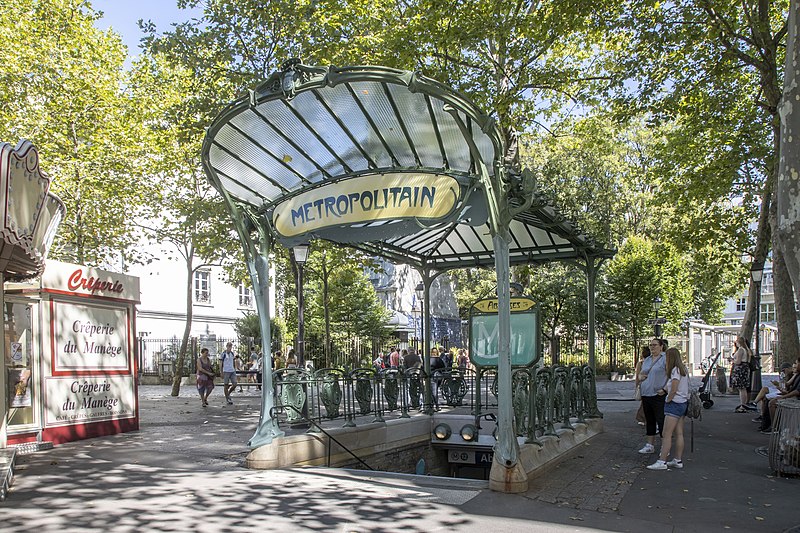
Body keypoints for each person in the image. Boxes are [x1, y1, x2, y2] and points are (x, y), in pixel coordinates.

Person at [647, 347, 689, 470]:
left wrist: (668, 399)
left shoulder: (675, 371)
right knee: (679, 433)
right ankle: (677, 459)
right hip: (683, 403)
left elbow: (674, 389)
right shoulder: (683, 369)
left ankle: (662, 461)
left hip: (674, 404)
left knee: (666, 433)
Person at [638, 338, 669, 455]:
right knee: (649, 420)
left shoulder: (665, 359)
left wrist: (665, 389)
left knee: (661, 420)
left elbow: (671, 375)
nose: (652, 347)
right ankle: (649, 445)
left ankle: (664, 447)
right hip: (646, 393)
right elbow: (641, 373)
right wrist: (640, 377)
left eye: (655, 345)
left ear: (661, 346)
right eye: (651, 345)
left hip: (658, 394)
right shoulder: (647, 360)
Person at [731, 335, 753, 413]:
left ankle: (742, 405)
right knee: (743, 388)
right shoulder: (746, 350)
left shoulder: (740, 350)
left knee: (741, 388)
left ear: (738, 342)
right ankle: (744, 404)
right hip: (745, 368)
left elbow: (738, 361)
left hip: (740, 369)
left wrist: (732, 360)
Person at [634, 346, 651, 426]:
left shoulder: (640, 363)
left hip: (643, 385)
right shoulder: (653, 362)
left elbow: (637, 376)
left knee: (644, 402)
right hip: (651, 385)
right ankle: (643, 417)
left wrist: (637, 386)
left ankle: (641, 417)